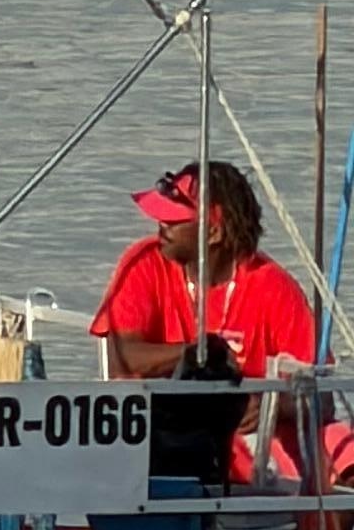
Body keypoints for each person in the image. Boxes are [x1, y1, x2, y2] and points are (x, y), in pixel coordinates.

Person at [94, 162, 312, 385]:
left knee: (339, 423)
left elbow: (321, 394)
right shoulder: (143, 262)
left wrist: (263, 405)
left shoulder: (274, 287)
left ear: (214, 233)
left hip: (250, 416)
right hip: (164, 415)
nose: (161, 224)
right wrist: (195, 354)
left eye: (174, 219)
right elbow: (121, 358)